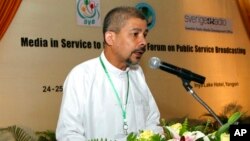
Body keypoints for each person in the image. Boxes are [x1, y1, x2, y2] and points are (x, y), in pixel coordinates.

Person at [56, 6, 163, 141]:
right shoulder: (82, 76)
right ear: (110, 38)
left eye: (145, 35)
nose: (143, 42)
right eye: (135, 34)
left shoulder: (137, 73)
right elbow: (68, 134)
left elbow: (152, 121)